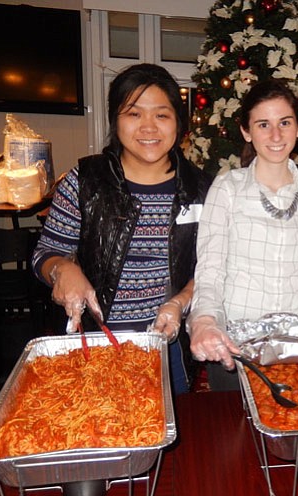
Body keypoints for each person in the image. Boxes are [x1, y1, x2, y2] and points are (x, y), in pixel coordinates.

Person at [32, 63, 212, 394]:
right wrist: (61, 268)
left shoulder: (202, 189)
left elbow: (213, 266)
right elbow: (45, 254)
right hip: (97, 340)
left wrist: (183, 300)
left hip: (167, 343)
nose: (148, 128)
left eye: (161, 115)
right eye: (133, 114)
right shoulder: (85, 181)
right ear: (116, 121)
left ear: (178, 124)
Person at [188, 79, 298, 391]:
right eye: (263, 124)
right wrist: (204, 322)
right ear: (246, 131)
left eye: (285, 122)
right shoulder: (228, 188)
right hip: (236, 346)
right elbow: (210, 270)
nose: (275, 135)